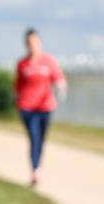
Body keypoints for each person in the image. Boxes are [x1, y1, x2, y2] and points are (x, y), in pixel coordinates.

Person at [14, 29, 66, 186]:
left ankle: (38, 167)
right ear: (26, 45)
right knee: (34, 137)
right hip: (27, 107)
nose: (32, 46)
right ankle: (35, 170)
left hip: (45, 106)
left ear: (40, 43)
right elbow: (17, 86)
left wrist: (60, 88)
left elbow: (59, 79)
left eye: (35, 43)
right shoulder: (22, 64)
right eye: (29, 43)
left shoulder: (49, 61)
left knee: (41, 139)